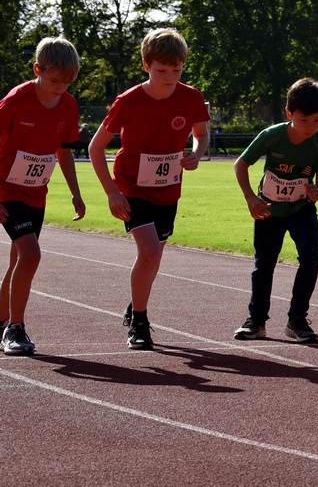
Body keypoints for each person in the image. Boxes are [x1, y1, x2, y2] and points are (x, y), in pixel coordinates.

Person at [89, 28, 210, 350]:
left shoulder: (192, 97)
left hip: (168, 188)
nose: (170, 77)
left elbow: (201, 133)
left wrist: (196, 153)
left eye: (177, 70)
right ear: (146, 65)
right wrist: (112, 192)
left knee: (154, 258)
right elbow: (95, 148)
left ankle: (134, 305)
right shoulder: (127, 101)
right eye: (161, 71)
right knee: (150, 252)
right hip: (131, 185)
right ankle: (140, 322)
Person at [0, 38, 86, 355]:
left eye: (68, 82)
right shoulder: (15, 101)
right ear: (38, 69)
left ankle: (1, 321)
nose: (61, 87)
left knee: (17, 262)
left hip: (36, 192)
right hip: (6, 188)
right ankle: (15, 329)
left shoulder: (69, 105)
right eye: (55, 80)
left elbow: (63, 150)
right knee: (31, 255)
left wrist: (76, 193)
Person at [232, 79, 318, 343]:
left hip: (302, 209)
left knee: (310, 258)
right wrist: (250, 197)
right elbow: (240, 165)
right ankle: (256, 321)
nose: (311, 127)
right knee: (264, 264)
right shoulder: (272, 136)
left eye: (317, 121)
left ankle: (297, 319)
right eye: (304, 120)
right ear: (289, 114)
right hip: (268, 210)